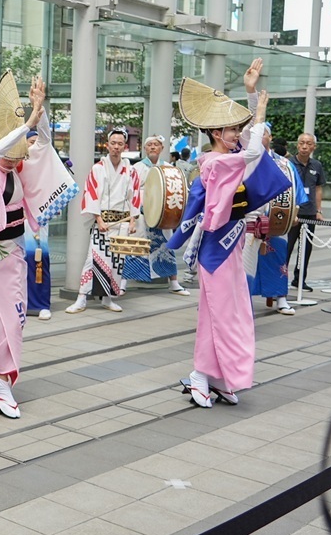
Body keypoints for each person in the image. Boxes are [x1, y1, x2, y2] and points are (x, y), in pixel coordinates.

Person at [169, 59, 290, 408]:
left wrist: (251, 95)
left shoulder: (231, 156)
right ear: (214, 134)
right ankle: (199, 375)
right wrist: (259, 107)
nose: (237, 134)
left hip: (232, 247)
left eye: (237, 129)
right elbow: (253, 149)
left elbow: (252, 146)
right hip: (215, 251)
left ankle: (218, 377)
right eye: (231, 130)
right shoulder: (214, 163)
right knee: (218, 315)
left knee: (231, 315)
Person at [0, 73, 76, 418]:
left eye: (17, 154)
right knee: (9, 321)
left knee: (14, 319)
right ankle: (2, 382)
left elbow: (41, 142)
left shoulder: (18, 169)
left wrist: (39, 110)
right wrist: (27, 118)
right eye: (9, 154)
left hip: (15, 248)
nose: (14, 159)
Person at [66, 127, 139, 313]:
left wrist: (133, 221)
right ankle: (81, 297)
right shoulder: (97, 168)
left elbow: (135, 196)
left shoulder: (130, 170)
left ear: (125, 146)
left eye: (120, 144)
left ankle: (108, 298)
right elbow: (90, 194)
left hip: (121, 222)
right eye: (113, 143)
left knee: (117, 261)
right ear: (107, 145)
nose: (116, 147)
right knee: (93, 259)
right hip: (103, 222)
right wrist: (98, 219)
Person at [243, 122, 308, 315]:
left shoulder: (284, 164)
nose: (258, 137)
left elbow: (296, 194)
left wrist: (293, 215)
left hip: (277, 220)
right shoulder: (244, 160)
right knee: (245, 261)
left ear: (270, 138)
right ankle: (243, 301)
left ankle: (280, 298)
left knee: (278, 256)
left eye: (262, 134)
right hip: (250, 220)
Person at [122, 134, 191, 296]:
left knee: (166, 246)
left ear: (162, 148)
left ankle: (174, 283)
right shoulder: (136, 167)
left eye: (156, 144)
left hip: (163, 212)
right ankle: (123, 283)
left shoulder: (169, 168)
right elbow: (129, 192)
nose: (153, 147)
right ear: (145, 149)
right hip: (140, 212)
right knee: (134, 246)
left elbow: (180, 190)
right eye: (150, 145)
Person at [287, 132, 325, 291]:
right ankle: (280, 279)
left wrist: (318, 210)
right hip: (291, 213)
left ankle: (300, 279)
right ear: (297, 145)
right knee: (286, 248)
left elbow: (318, 189)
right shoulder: (288, 163)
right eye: (302, 142)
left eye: (308, 143)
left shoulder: (316, 165)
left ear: (313, 147)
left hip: (309, 213)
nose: (304, 146)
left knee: (306, 249)